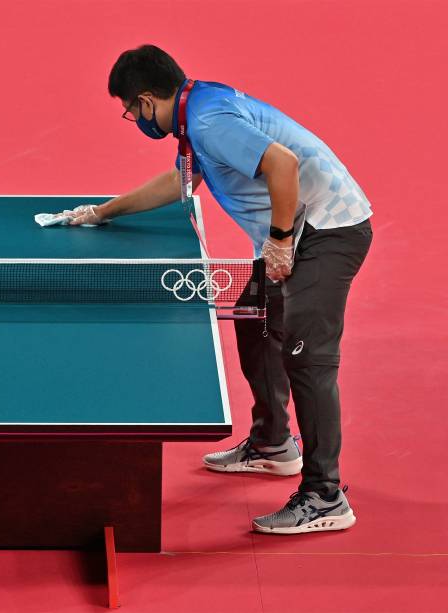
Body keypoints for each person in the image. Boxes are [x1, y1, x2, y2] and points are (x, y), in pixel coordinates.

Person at [60, 45, 372, 534]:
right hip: (296, 231)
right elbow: (182, 183)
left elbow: (283, 164)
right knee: (256, 327)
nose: (128, 116)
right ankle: (273, 444)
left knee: (307, 358)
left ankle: (324, 497)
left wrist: (280, 242)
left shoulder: (208, 121)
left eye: (127, 109)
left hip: (327, 232)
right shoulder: (194, 112)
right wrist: (104, 211)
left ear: (145, 100)